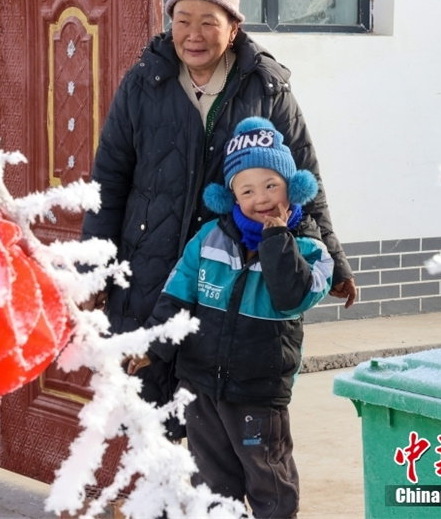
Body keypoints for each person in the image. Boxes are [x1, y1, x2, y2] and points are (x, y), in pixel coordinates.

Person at [81, 0, 355, 437]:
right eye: (183, 19)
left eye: (209, 21)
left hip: (229, 271)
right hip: (148, 264)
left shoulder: (267, 90)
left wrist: (331, 258)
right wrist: (93, 268)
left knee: (216, 403)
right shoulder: (144, 83)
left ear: (233, 28)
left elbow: (303, 176)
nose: (193, 34)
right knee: (146, 397)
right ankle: (154, 503)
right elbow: (109, 181)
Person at [128, 117, 334, 518]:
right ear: (232, 196)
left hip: (259, 391)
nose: (261, 198)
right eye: (247, 189)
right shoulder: (208, 240)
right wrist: (153, 346)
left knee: (269, 481)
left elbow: (293, 297)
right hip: (201, 385)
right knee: (211, 483)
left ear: (293, 188)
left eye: (271, 185)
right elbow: (176, 297)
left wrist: (276, 241)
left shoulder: (310, 249)